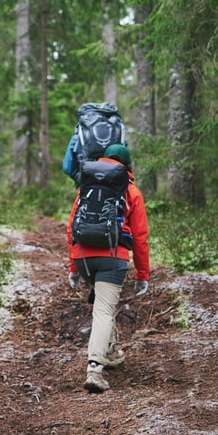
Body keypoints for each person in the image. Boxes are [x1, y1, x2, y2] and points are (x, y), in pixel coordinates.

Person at [66, 143, 150, 393]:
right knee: (103, 310)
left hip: (83, 258)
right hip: (113, 257)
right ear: (128, 165)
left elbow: (72, 227)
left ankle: (110, 351)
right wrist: (142, 273)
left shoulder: (86, 187)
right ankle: (95, 369)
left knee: (103, 304)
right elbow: (140, 236)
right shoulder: (131, 191)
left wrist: (73, 267)